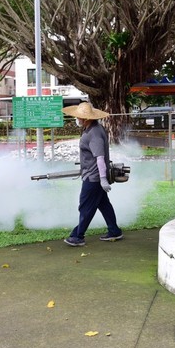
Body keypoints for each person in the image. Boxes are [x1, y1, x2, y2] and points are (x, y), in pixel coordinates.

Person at [61, 102, 123, 247]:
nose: (77, 119)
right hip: (93, 175)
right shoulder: (93, 128)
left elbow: (100, 158)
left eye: (79, 117)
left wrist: (102, 179)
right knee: (103, 204)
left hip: (93, 178)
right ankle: (114, 231)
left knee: (86, 206)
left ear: (86, 118)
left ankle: (78, 235)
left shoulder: (94, 133)